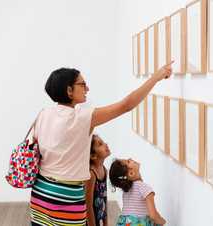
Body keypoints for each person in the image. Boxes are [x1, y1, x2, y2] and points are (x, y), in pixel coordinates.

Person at [29, 62, 172, 226]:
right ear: (69, 90)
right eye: (82, 84)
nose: (87, 89)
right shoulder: (82, 117)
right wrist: (156, 77)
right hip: (66, 196)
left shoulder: (43, 114)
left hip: (40, 191)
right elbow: (126, 105)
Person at [109, 158, 166, 226]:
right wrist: (162, 221)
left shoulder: (126, 191)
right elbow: (153, 215)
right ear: (131, 173)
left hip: (124, 222)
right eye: (128, 161)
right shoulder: (145, 188)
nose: (130, 158)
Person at [85, 135, 111, 226]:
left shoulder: (104, 170)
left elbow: (104, 197)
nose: (106, 144)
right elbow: (88, 205)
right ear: (93, 156)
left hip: (98, 216)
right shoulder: (91, 174)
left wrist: (106, 223)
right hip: (89, 221)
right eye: (100, 144)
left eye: (103, 142)